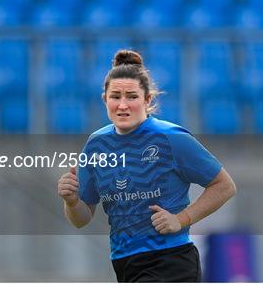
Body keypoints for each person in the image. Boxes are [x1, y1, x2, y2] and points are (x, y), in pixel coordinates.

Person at [57, 49, 236, 282]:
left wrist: (181, 219)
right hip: (124, 263)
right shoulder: (96, 145)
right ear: (105, 99)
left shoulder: (171, 138)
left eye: (131, 96)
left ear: (147, 99)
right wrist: (71, 201)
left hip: (171, 261)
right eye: (115, 96)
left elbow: (225, 185)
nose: (123, 105)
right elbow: (81, 218)